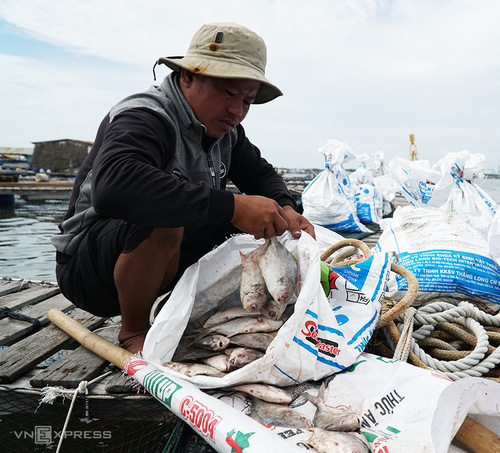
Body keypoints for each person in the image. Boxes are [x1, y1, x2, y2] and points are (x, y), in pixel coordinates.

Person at [51, 22, 315, 354]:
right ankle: (133, 332)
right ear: (188, 76)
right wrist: (235, 207)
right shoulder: (145, 116)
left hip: (162, 264)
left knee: (251, 227)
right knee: (166, 216)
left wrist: (284, 206)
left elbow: (261, 175)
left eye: (247, 100)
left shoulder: (227, 130)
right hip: (89, 272)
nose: (237, 110)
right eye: (229, 93)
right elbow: (115, 186)